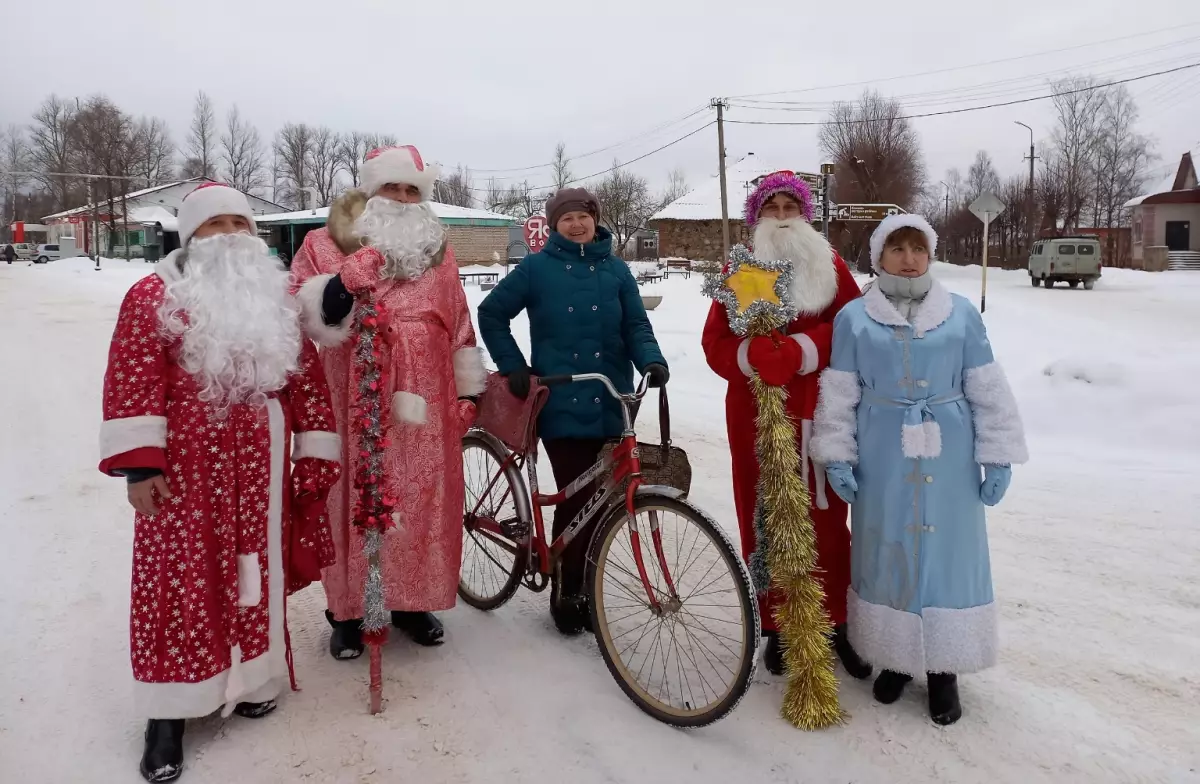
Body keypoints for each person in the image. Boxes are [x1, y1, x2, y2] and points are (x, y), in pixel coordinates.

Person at [99, 183, 342, 783]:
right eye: (216, 224)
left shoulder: (277, 299)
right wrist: (140, 465)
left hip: (260, 463)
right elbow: (132, 380)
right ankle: (168, 716)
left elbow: (306, 380)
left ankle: (255, 676)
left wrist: (314, 451)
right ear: (191, 235)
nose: (231, 235)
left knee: (256, 570)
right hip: (184, 469)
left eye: (241, 223)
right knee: (182, 578)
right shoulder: (153, 296)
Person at [811, 214, 1028, 725]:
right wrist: (837, 453)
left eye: (917, 248)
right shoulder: (854, 318)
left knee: (948, 554)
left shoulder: (960, 315)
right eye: (897, 248)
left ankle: (944, 670)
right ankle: (896, 658)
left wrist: (997, 454)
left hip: (948, 454)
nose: (908, 258)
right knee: (887, 548)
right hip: (883, 451)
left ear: (929, 255)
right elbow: (840, 393)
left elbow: (987, 389)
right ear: (879, 255)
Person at [291, 145, 486, 656]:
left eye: (411, 191)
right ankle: (347, 614)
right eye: (392, 188)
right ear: (370, 190)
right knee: (352, 499)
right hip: (354, 390)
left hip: (427, 399)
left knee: (421, 500)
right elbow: (305, 315)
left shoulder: (441, 253)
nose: (401, 199)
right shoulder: (324, 242)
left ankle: (411, 603)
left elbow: (461, 324)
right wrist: (343, 284)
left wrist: (467, 391)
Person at [701, 170, 871, 679]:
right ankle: (776, 626)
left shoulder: (832, 266)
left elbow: (857, 330)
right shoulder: (740, 268)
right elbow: (715, 344)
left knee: (826, 521)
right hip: (757, 414)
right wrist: (755, 355)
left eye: (789, 208)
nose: (781, 217)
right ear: (756, 218)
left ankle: (836, 623)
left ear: (805, 215)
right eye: (771, 208)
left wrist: (802, 350)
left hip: (821, 411)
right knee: (765, 516)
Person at [477, 187, 669, 635]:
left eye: (583, 216)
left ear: (595, 219)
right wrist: (514, 366)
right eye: (567, 219)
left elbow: (636, 324)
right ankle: (568, 587)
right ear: (555, 224)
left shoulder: (617, 270)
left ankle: (585, 577)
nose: (577, 224)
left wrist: (651, 361)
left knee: (605, 501)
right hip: (560, 400)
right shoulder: (537, 270)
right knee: (577, 497)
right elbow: (491, 314)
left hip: (612, 399)